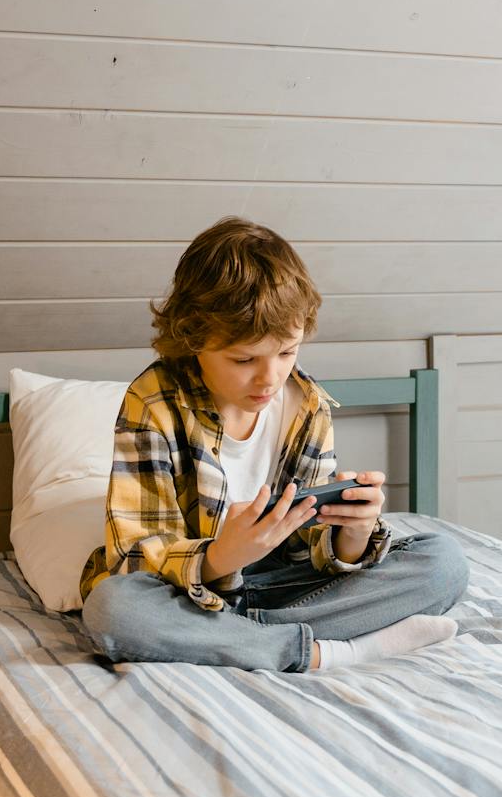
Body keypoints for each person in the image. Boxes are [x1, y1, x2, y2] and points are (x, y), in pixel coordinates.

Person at [77, 217, 469, 672]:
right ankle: (334, 650)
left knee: (445, 562)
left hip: (284, 583)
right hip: (187, 594)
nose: (270, 378)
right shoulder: (154, 403)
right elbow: (134, 556)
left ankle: (229, 639)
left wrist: (354, 537)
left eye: (287, 352)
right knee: (113, 609)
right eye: (244, 359)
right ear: (193, 339)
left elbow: (311, 551)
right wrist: (223, 555)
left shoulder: (306, 404)